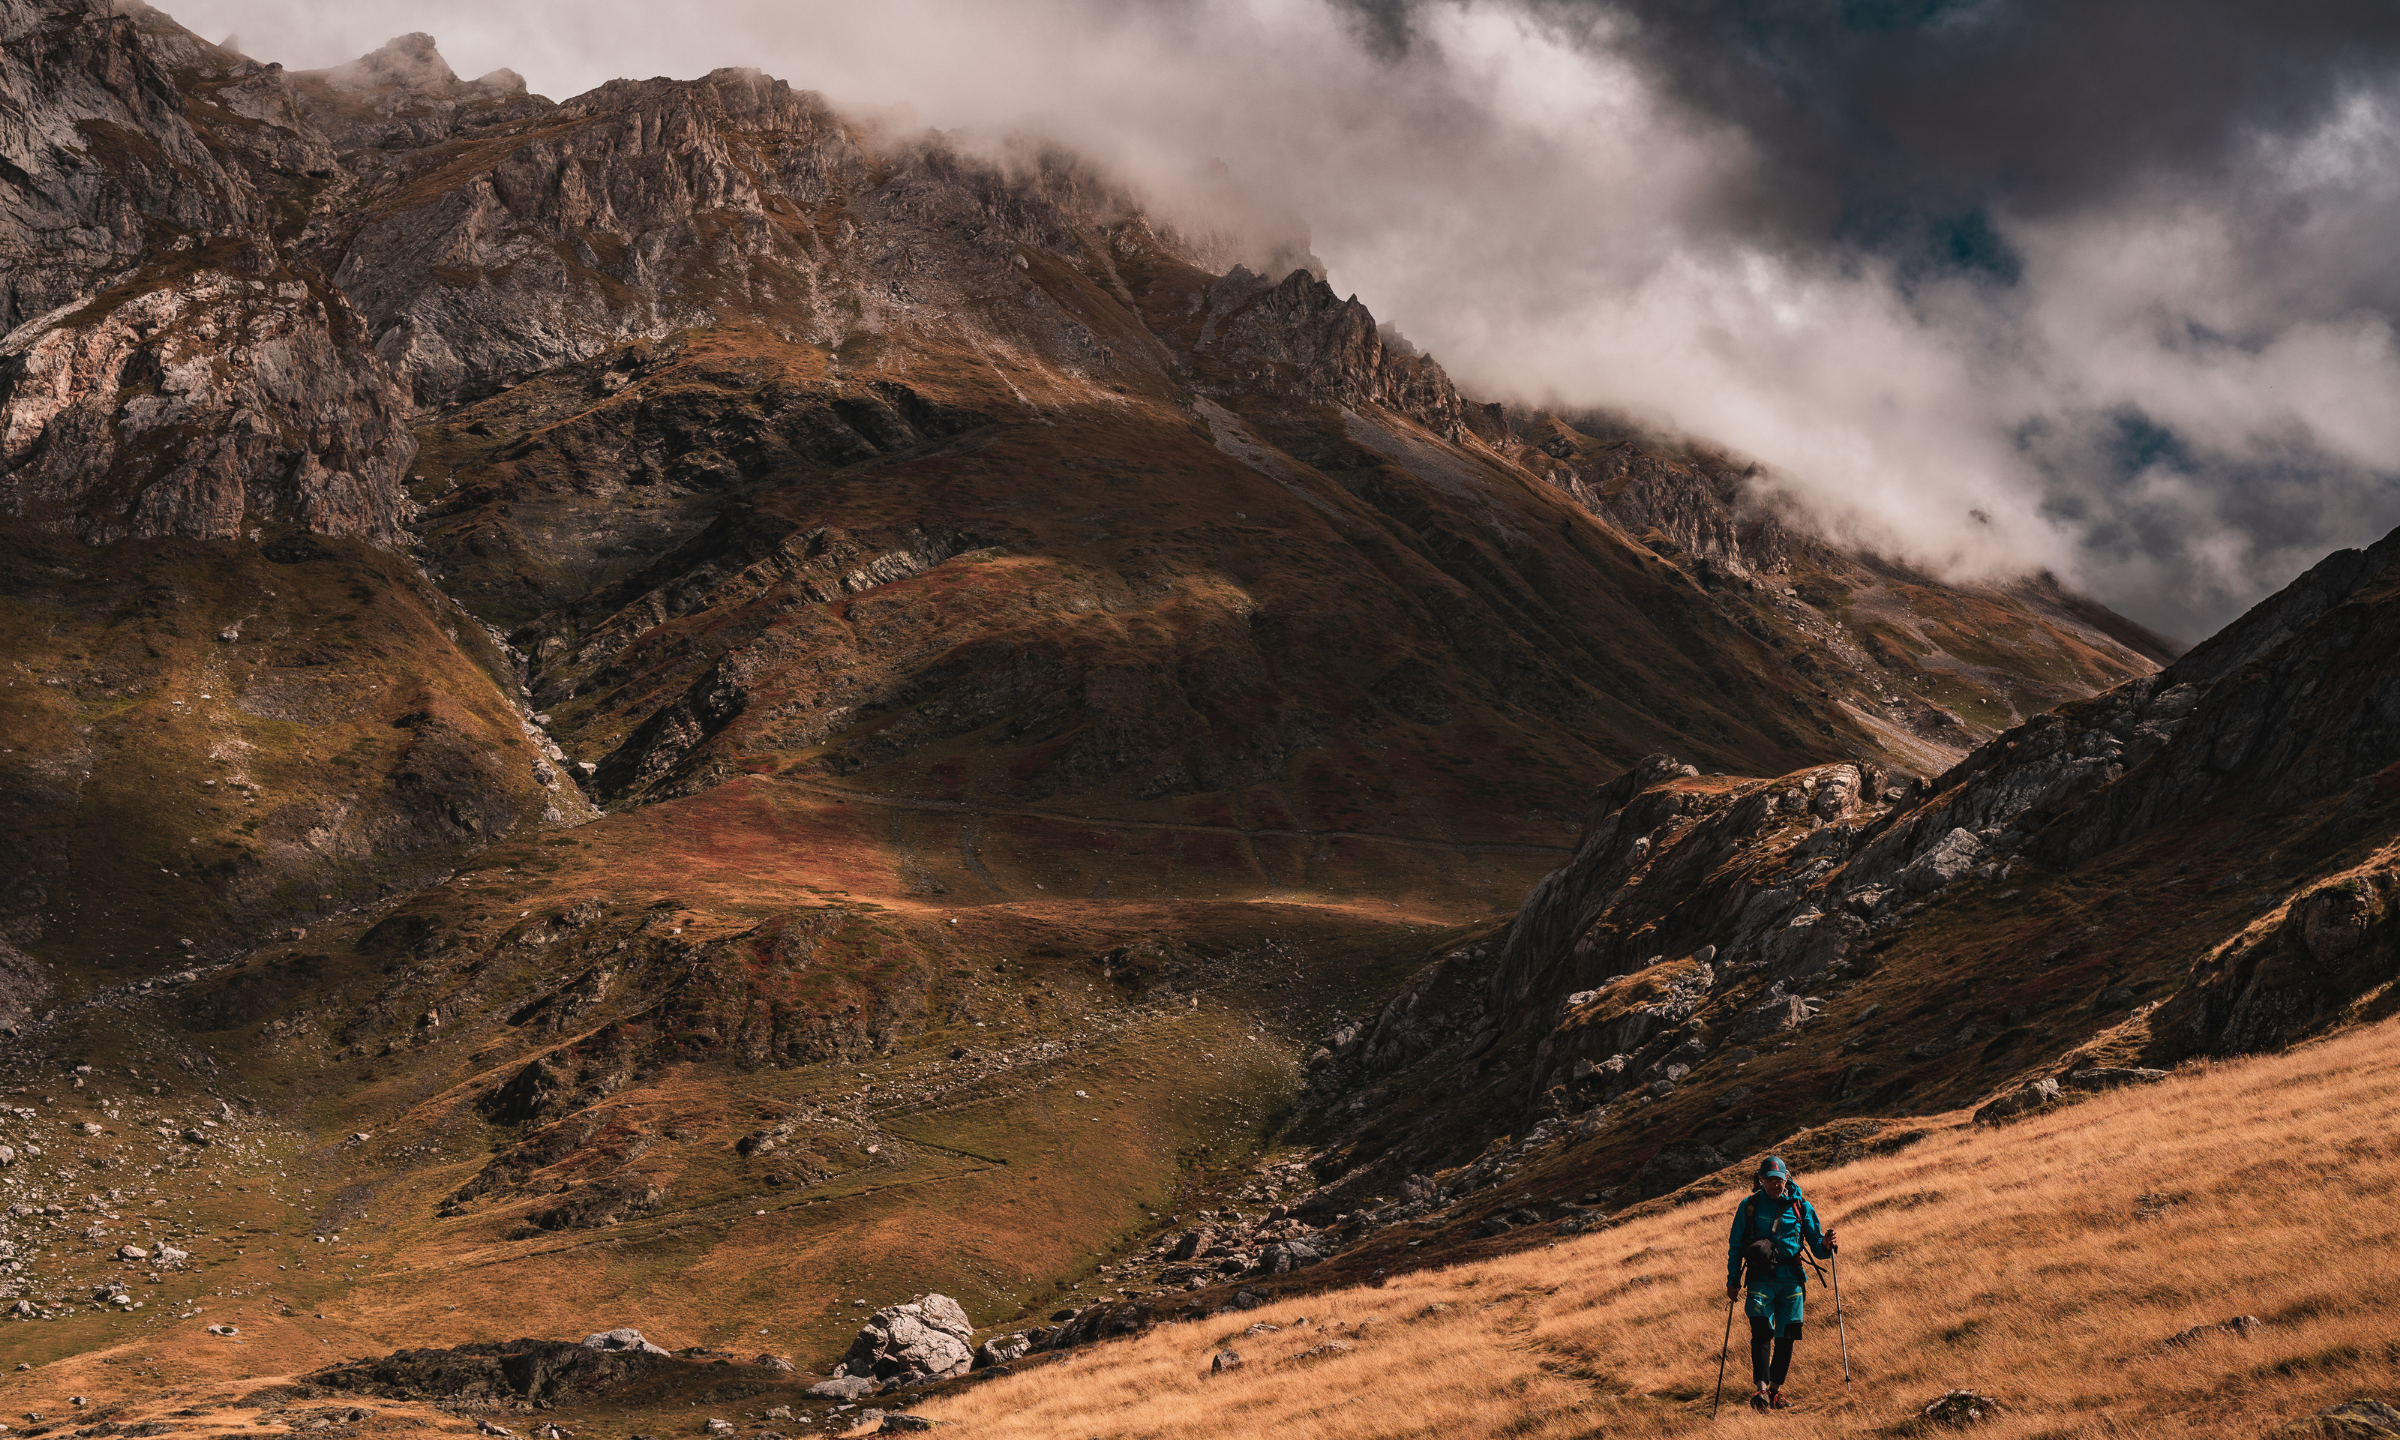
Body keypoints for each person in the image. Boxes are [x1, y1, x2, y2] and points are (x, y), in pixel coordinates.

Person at [1724, 1154, 1837, 1410]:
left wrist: (1827, 1246)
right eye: (1770, 1180)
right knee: (1762, 1332)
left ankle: (1775, 1391)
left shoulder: (1801, 1206)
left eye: (1779, 1180)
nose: (1775, 1185)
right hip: (1759, 1280)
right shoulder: (1749, 1206)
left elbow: (1817, 1245)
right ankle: (1760, 1391)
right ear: (1760, 1179)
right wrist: (1733, 1280)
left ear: (1787, 1178)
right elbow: (1735, 1246)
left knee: (1787, 1336)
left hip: (1791, 1282)